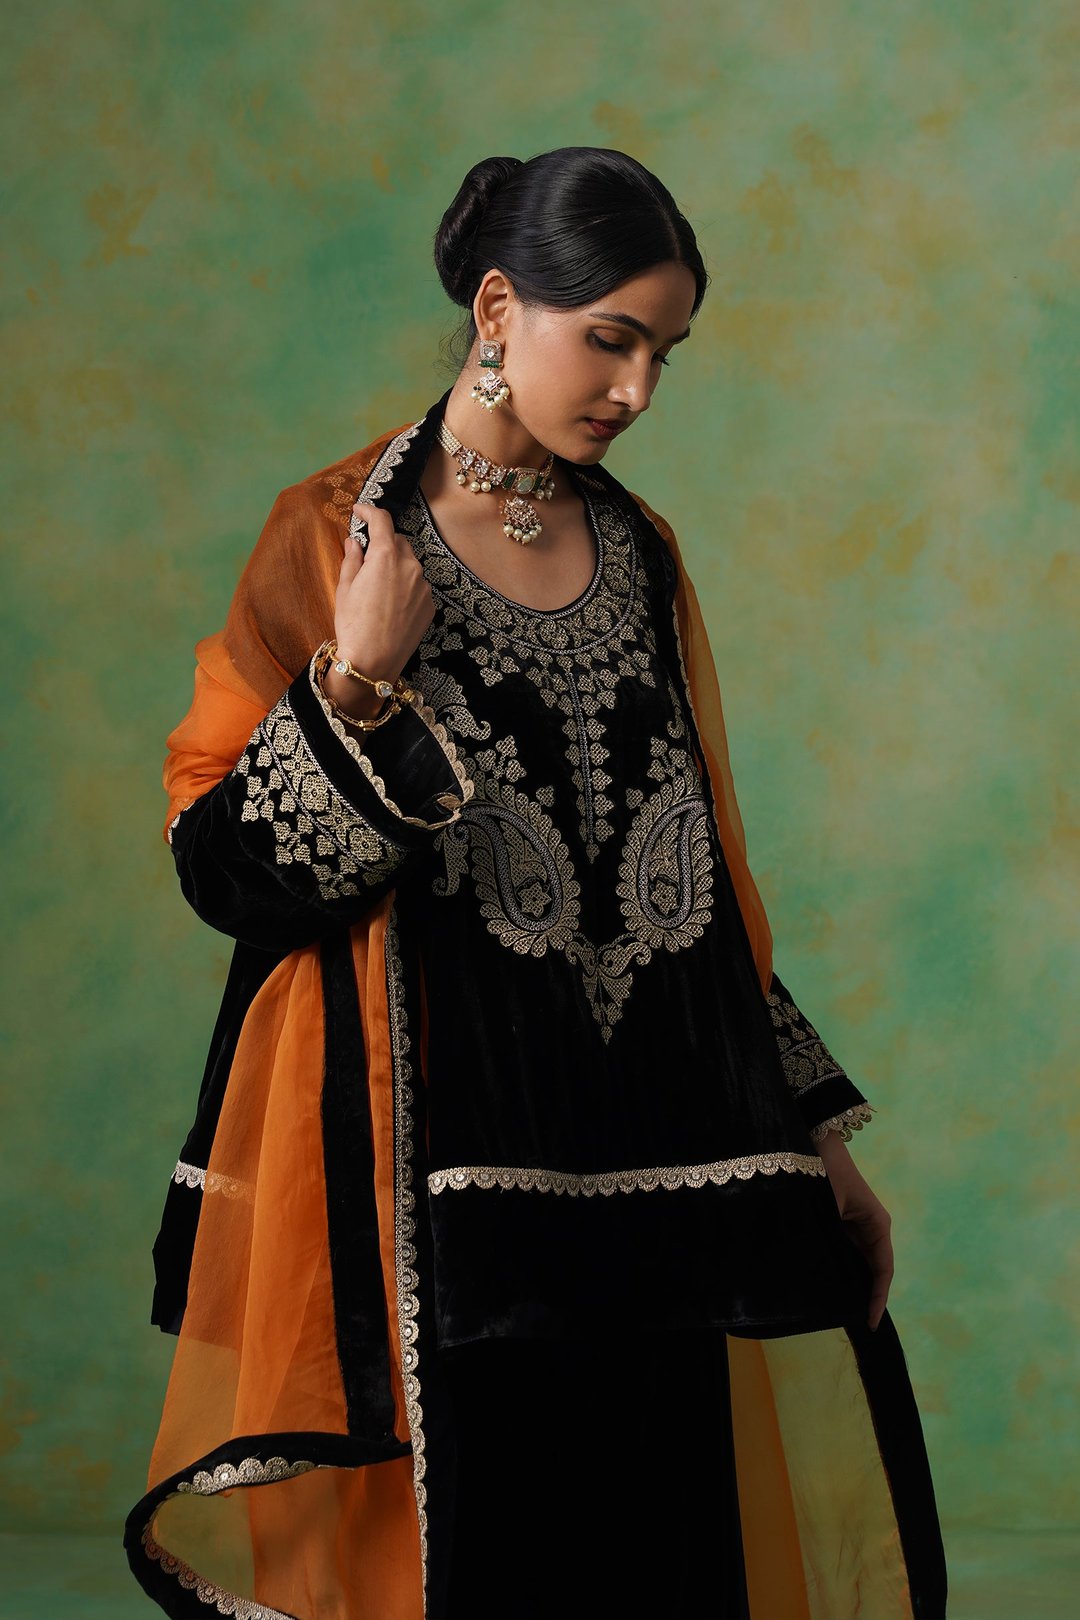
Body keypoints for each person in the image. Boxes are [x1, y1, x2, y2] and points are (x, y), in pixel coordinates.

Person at [124, 147, 948, 1619]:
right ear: (499, 308)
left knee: (663, 1566)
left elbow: (691, 887)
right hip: (448, 1188)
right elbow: (226, 873)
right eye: (611, 339)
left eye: (664, 354)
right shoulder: (336, 536)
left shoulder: (640, 550)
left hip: (664, 1167)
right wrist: (356, 678)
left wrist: (814, 1133)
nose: (636, 390)